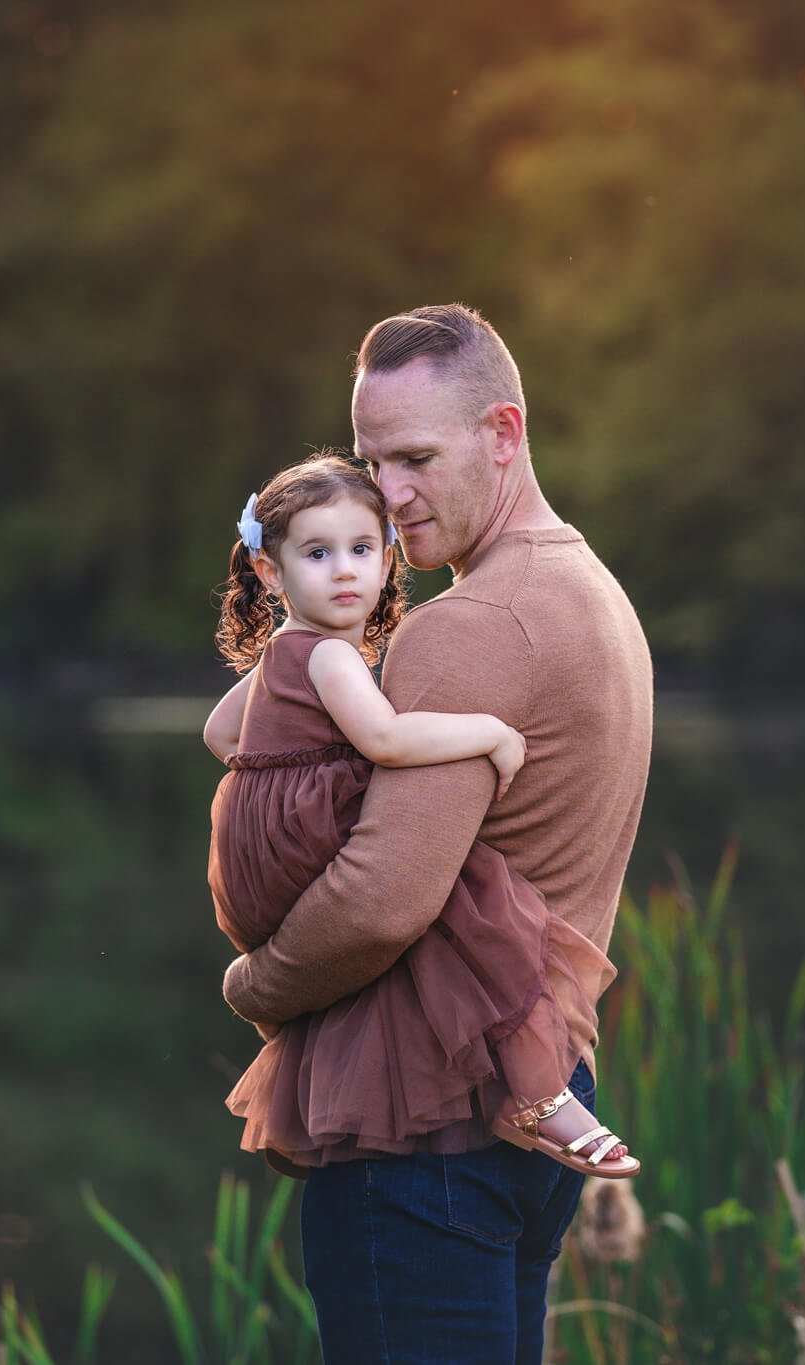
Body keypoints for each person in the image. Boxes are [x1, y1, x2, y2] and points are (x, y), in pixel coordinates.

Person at [221, 304, 655, 1363]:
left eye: (415, 458)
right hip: (529, 1091)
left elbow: (380, 897)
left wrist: (255, 986)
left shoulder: (469, 628)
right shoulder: (588, 588)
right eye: (371, 462)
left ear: (503, 433)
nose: (388, 494)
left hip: (424, 1124)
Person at [205, 453, 637, 1179]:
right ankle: (539, 1095)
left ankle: (319, 1106)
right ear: (271, 571)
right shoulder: (335, 660)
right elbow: (385, 739)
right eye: (317, 553)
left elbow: (221, 735)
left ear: (386, 558)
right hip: (302, 849)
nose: (344, 570)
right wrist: (490, 734)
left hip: (256, 866)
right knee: (468, 901)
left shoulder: (284, 651)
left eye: (362, 549)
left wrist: (285, 788)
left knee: (419, 919)